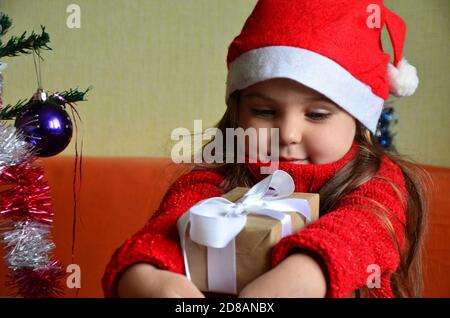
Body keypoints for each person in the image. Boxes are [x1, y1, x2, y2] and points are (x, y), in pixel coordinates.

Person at [102, 0, 429, 298]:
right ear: (238, 112)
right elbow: (169, 229)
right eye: (264, 112)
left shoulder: (377, 184)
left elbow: (356, 233)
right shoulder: (217, 177)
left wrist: (302, 274)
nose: (288, 134)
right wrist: (146, 276)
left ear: (359, 121)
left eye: (316, 114)